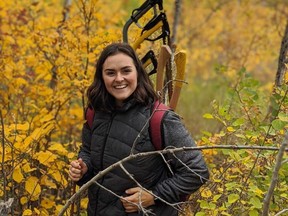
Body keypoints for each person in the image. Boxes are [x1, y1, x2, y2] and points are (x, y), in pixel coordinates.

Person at [68, 42, 209, 216]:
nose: (119, 78)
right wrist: (83, 168)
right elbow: (88, 151)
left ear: (138, 73)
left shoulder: (159, 118)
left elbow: (197, 171)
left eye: (126, 71)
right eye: (110, 73)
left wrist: (153, 195)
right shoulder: (95, 112)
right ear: (101, 77)